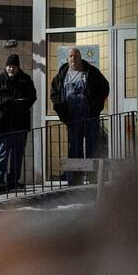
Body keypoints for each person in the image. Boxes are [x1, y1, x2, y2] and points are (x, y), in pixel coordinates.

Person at [49, 48, 110, 181]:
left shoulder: (91, 72)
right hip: (72, 119)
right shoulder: (62, 75)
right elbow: (54, 94)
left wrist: (96, 107)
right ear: (67, 59)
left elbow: (105, 87)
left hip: (90, 117)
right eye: (70, 56)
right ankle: (74, 180)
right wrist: (61, 111)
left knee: (92, 147)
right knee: (74, 148)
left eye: (75, 56)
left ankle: (93, 178)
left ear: (80, 58)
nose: (73, 59)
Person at [0, 54, 38, 193]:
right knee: (1, 154)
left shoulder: (25, 80)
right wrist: (11, 102)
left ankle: (13, 181)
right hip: (2, 125)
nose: (11, 69)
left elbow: (32, 96)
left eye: (13, 67)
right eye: (9, 66)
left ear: (18, 67)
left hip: (20, 124)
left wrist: (20, 104)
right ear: (6, 66)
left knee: (17, 155)